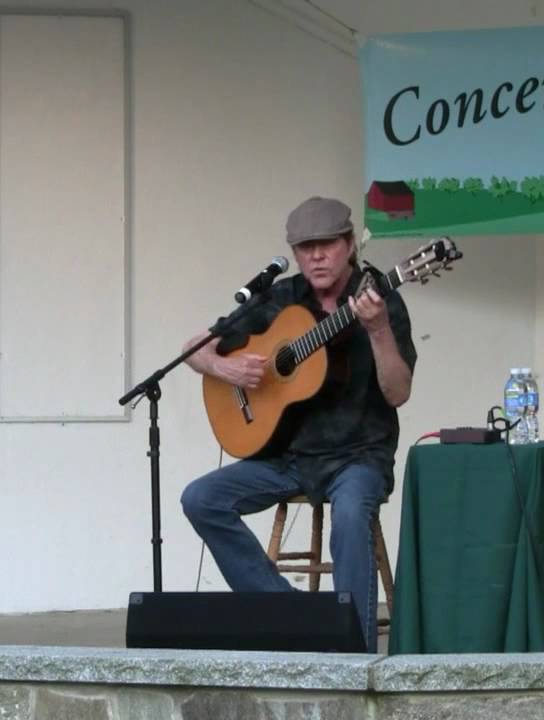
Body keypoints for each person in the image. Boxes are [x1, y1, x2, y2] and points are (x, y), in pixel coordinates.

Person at [179, 196, 417, 653]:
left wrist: (380, 330)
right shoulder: (281, 298)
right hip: (289, 458)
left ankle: (353, 654)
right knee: (201, 498)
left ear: (349, 245)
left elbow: (399, 393)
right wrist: (225, 369)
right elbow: (194, 349)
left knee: (349, 516)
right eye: (305, 248)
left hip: (357, 456)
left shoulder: (381, 299)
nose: (316, 256)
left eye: (326, 244)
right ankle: (291, 615)